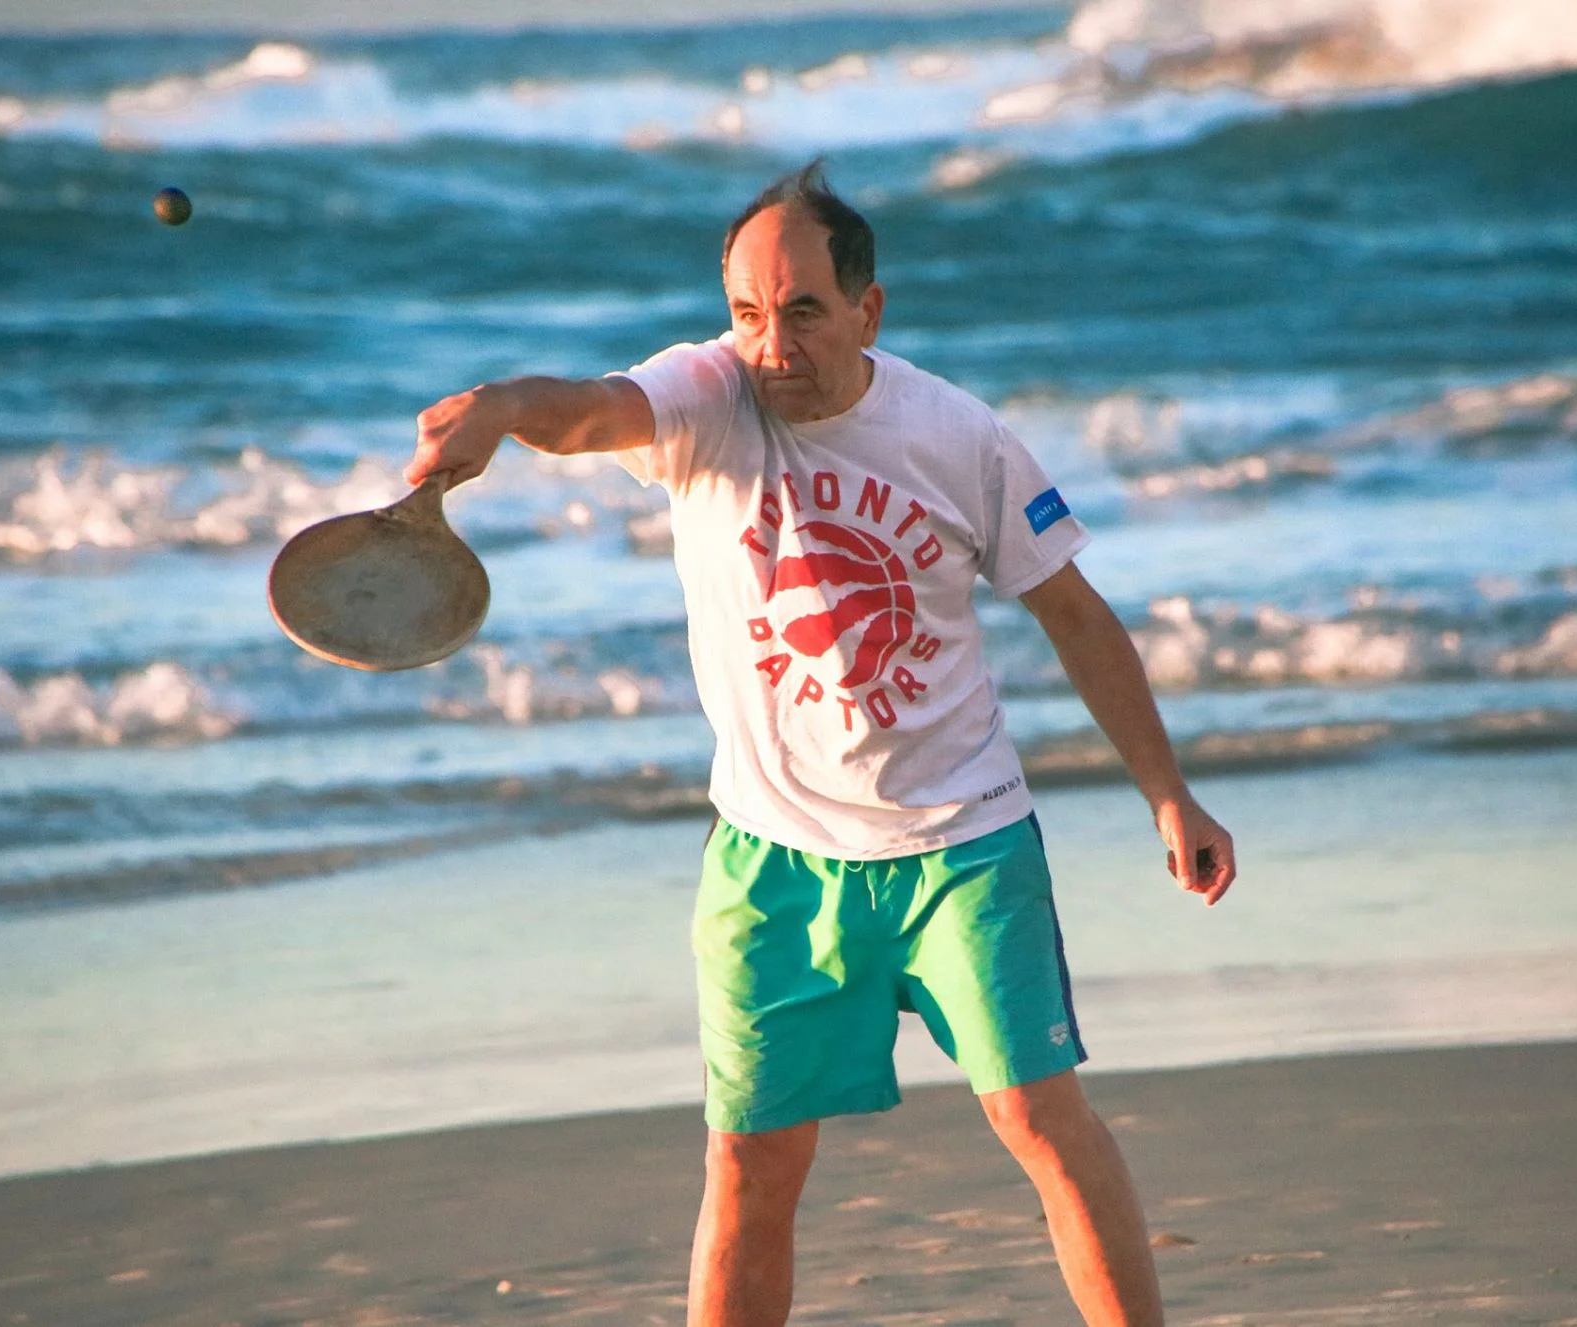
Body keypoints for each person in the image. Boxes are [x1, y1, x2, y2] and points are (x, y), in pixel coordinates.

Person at [406, 162, 1237, 1327]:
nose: (770, 343)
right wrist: (500, 405)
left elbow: (1075, 616)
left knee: (1038, 1119)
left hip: (965, 841)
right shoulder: (703, 398)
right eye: (748, 311)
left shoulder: (957, 436)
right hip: (775, 856)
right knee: (749, 1163)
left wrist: (1168, 796)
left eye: (800, 311)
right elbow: (592, 407)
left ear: (866, 310)